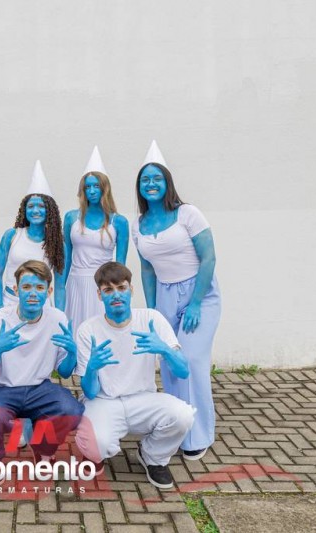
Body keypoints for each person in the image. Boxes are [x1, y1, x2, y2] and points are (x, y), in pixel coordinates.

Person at [131, 140, 221, 461]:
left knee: (192, 360)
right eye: (145, 180)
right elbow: (146, 269)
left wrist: (195, 303)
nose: (151, 184)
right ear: (140, 187)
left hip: (199, 293)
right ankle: (176, 426)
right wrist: (153, 310)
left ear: (167, 183)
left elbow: (209, 258)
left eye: (157, 178)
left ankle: (199, 435)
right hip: (165, 294)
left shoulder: (188, 214)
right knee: (170, 362)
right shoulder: (138, 225)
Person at [74, 261, 194, 489]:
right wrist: (92, 368)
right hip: (103, 400)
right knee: (96, 445)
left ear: (131, 289)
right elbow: (89, 392)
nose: (116, 295)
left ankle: (153, 456)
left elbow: (183, 371)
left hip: (143, 398)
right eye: (108, 290)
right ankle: (93, 454)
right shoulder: (88, 329)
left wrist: (165, 350)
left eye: (121, 287)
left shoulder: (151, 319)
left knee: (183, 415)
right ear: (99, 295)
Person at [0, 260, 83, 467]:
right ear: (16, 290)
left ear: (49, 291)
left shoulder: (57, 318)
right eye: (26, 286)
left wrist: (72, 353)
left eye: (40, 287)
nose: (33, 293)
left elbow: (64, 372)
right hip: (0, 389)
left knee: (72, 411)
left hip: (38, 388)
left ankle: (42, 447)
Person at [58, 147, 129, 332]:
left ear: (105, 188)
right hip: (76, 283)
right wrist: (60, 289)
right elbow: (66, 257)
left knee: (102, 330)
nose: (91, 191)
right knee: (75, 329)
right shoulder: (71, 218)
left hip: (104, 284)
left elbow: (120, 265)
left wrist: (118, 293)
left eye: (96, 186)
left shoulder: (119, 221)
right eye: (87, 187)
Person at [0, 161, 65, 310]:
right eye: (31, 206)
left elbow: (60, 286)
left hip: (42, 306)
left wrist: (60, 315)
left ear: (50, 211)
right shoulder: (12, 235)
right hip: (10, 302)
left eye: (41, 206)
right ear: (24, 210)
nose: (35, 210)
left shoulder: (57, 244)